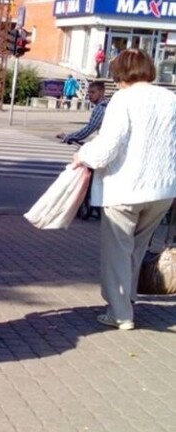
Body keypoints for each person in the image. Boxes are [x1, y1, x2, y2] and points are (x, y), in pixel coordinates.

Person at [72, 48, 176, 330]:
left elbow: (108, 147)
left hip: (125, 188)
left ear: (120, 74)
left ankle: (119, 312)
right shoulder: (171, 99)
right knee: (137, 248)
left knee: (117, 250)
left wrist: (83, 156)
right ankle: (127, 299)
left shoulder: (123, 99)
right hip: (162, 189)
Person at [57, 80, 109, 220]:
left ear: (101, 92)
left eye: (93, 92)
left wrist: (68, 137)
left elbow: (88, 130)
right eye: (88, 93)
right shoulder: (109, 106)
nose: (89, 96)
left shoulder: (101, 108)